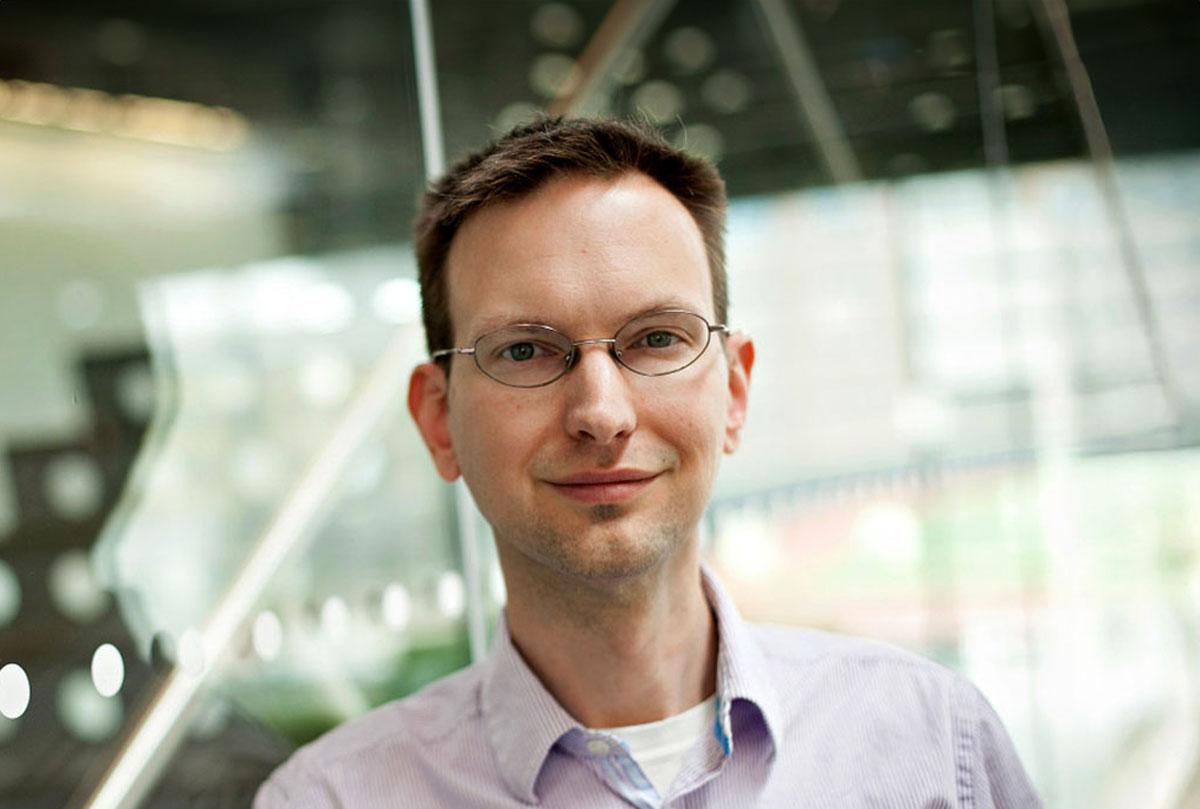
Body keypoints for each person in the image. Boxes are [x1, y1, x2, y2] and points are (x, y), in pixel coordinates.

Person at [255, 117, 1042, 808]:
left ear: (733, 390)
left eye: (657, 338)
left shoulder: (935, 745)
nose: (601, 412)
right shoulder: (331, 799)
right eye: (525, 350)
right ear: (439, 420)